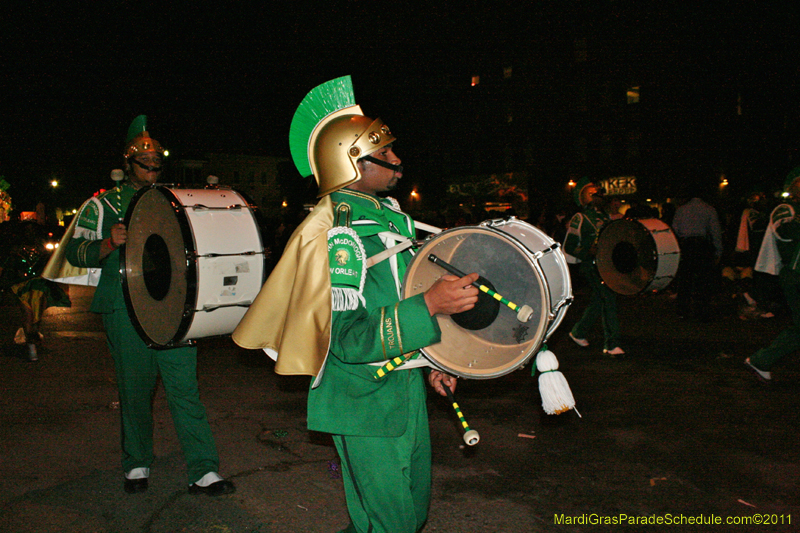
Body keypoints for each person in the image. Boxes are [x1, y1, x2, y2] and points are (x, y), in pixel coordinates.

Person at [233, 76, 479, 533]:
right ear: (353, 163)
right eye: (385, 152)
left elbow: (399, 299)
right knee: (394, 523)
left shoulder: (390, 220)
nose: (397, 160)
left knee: (407, 513)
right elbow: (348, 337)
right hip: (362, 398)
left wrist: (433, 362)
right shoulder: (340, 234)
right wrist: (429, 303)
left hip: (403, 388)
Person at [62, 116, 234, 496]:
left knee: (184, 390)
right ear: (128, 163)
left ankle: (203, 469)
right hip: (125, 308)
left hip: (175, 308)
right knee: (135, 391)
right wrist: (109, 243)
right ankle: (136, 462)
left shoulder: (176, 200)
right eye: (146, 160)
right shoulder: (102, 204)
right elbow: (74, 251)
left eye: (157, 160)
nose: (153, 165)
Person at [745, 167, 800, 382]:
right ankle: (761, 360)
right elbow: (786, 232)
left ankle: (761, 360)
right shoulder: (786, 209)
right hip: (795, 275)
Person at [563, 177, 624, 356]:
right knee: (608, 299)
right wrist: (587, 251)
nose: (601, 198)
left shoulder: (604, 217)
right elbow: (569, 246)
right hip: (591, 266)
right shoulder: (580, 217)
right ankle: (612, 344)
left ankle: (578, 332)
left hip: (605, 265)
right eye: (596, 194)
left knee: (599, 300)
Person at [671, 184, 723, 321]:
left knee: (685, 279)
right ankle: (701, 311)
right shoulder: (709, 209)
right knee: (703, 280)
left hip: (687, 245)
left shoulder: (681, 210)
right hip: (702, 245)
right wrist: (718, 251)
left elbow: (674, 230)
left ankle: (683, 310)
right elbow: (715, 232)